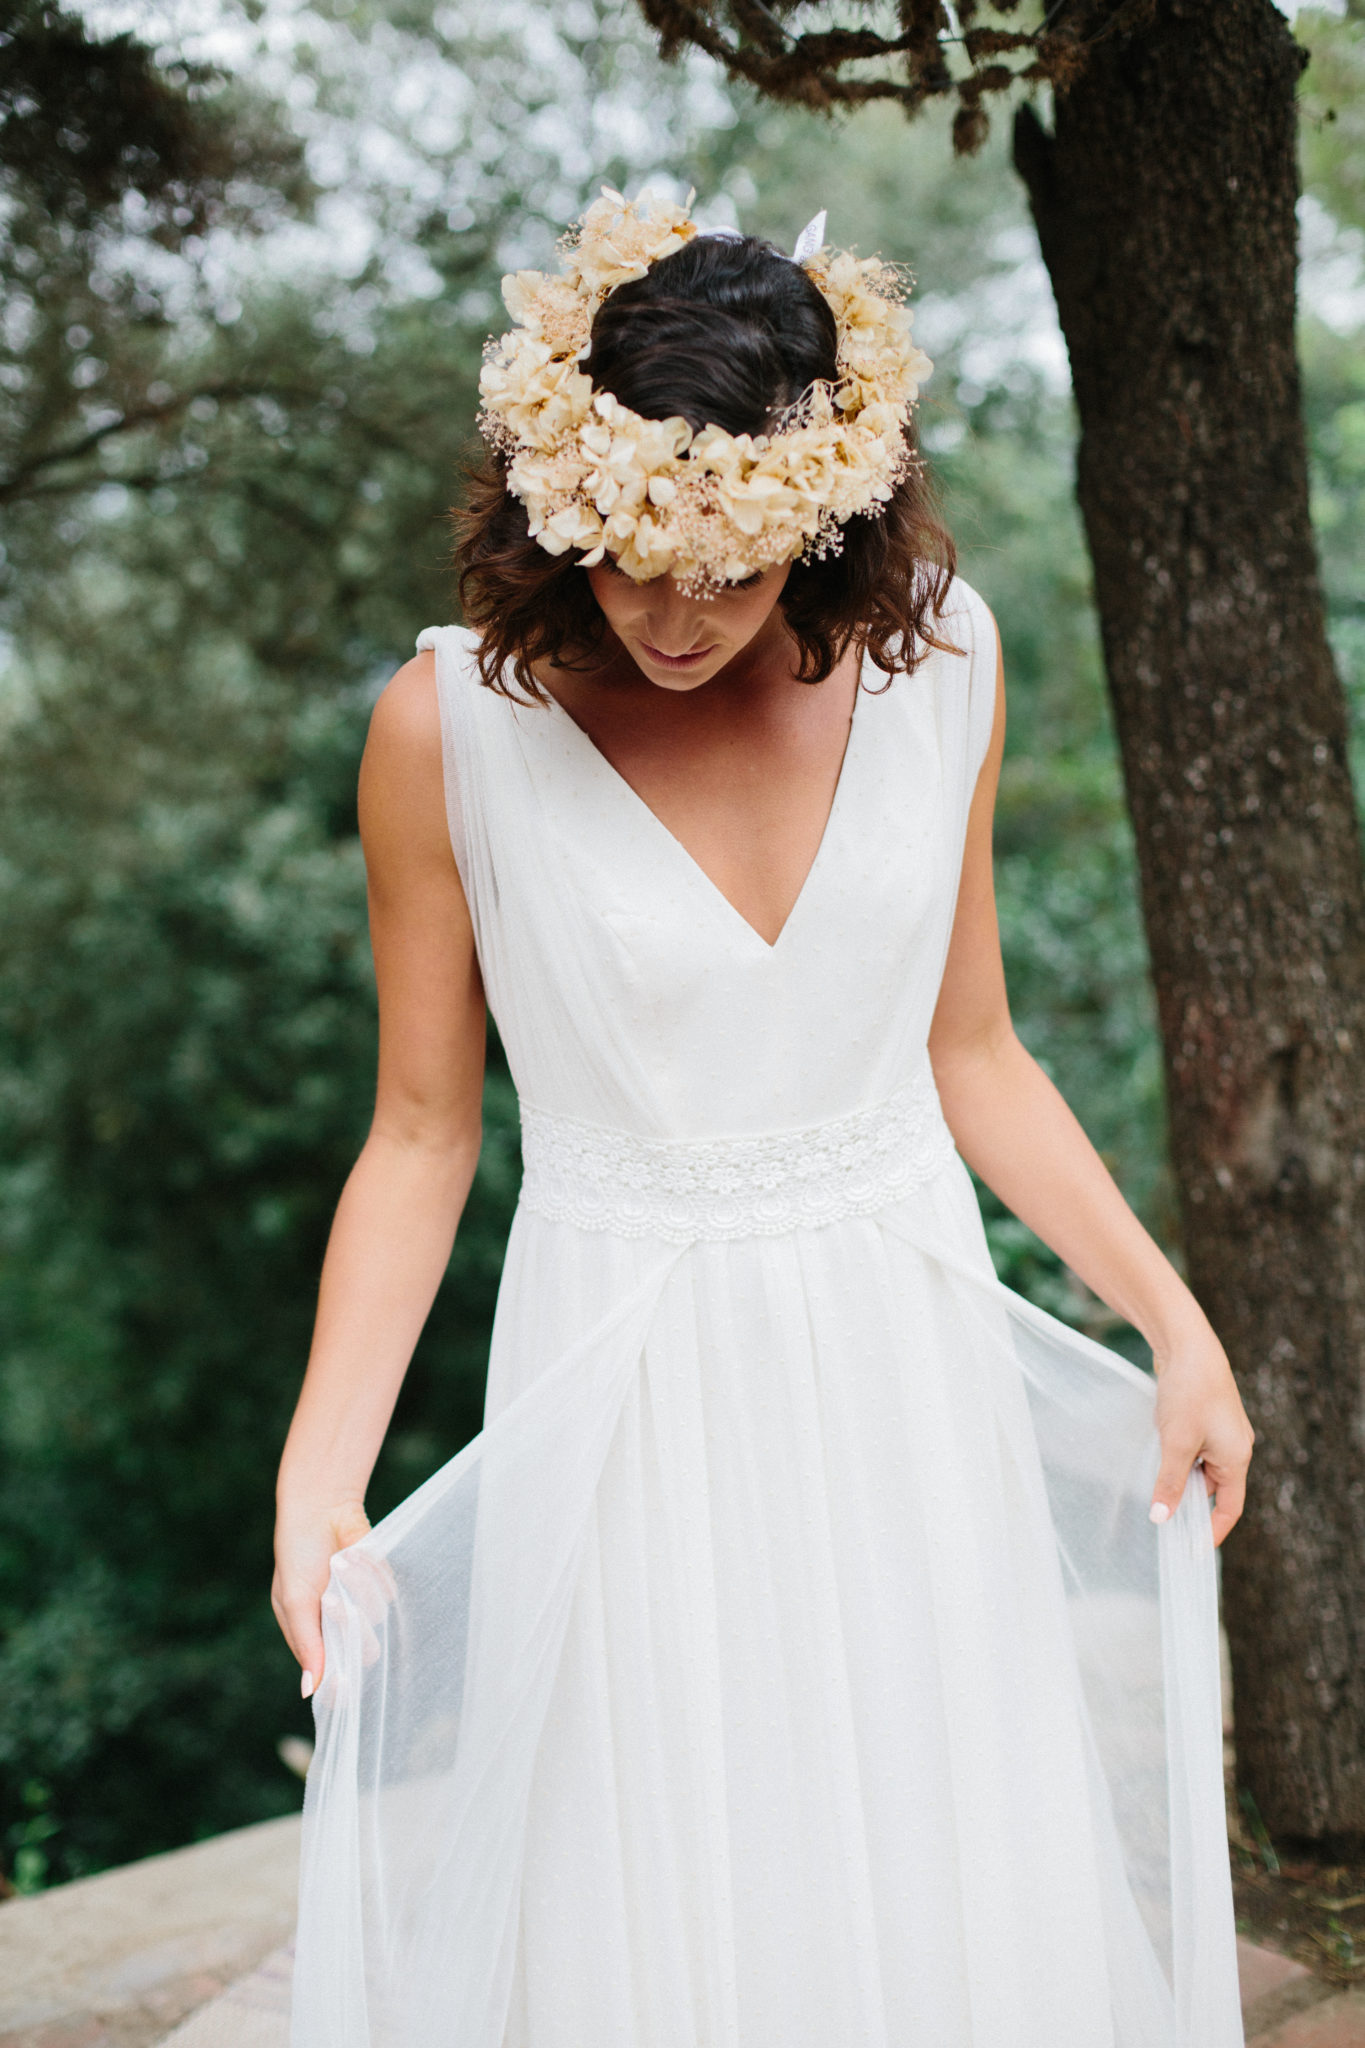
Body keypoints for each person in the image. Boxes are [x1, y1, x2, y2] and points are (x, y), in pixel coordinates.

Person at [274, 191, 1254, 2048]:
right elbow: (419, 1134)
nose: (677, 611)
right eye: (635, 556)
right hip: (627, 1392)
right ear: (556, 505)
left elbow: (974, 1050)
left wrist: (1172, 1322)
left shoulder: (938, 660)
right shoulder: (443, 737)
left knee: (933, 1848)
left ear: (829, 513)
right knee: (663, 1892)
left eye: (732, 562)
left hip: (901, 1370)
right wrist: (324, 1472)